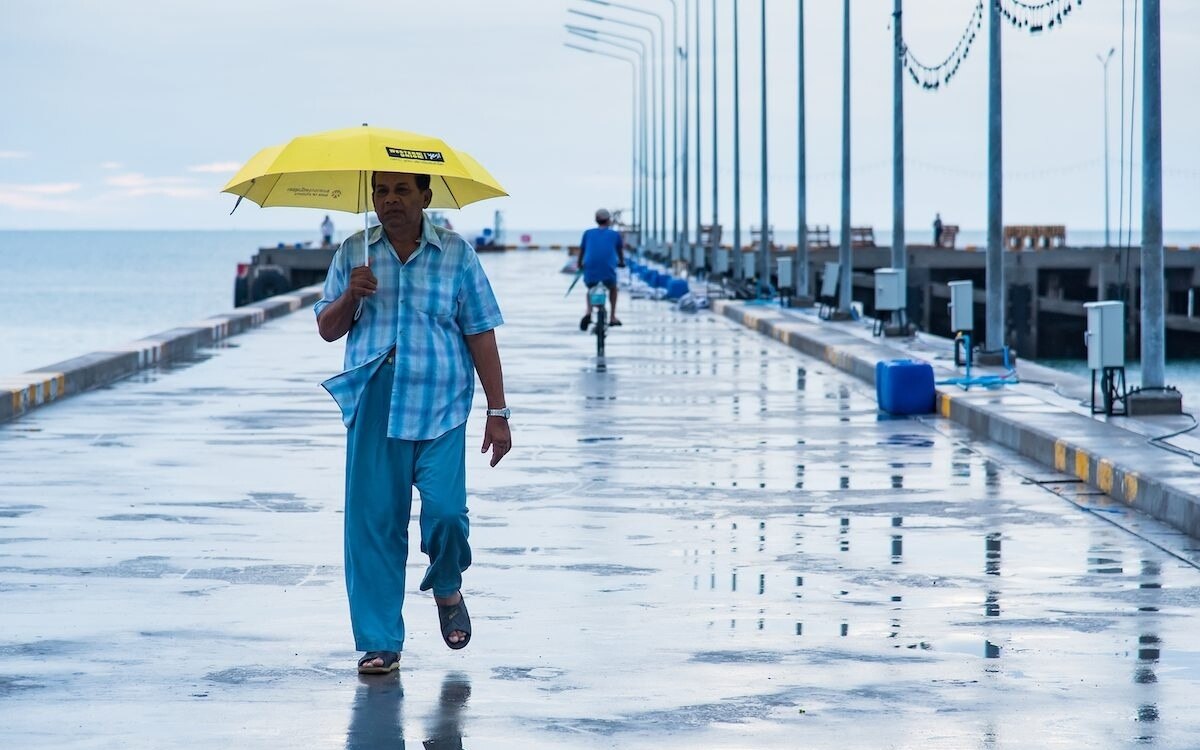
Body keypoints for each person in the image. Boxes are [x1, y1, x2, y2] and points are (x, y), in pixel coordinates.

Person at [314, 171, 511, 674]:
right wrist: (350, 296)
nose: (390, 200)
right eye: (381, 191)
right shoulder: (353, 253)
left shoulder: (456, 255)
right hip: (375, 402)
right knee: (374, 526)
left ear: (425, 197)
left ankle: (447, 587)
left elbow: (481, 333)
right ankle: (380, 640)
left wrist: (498, 412)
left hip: (441, 403)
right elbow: (327, 330)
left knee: (446, 514)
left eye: (402, 191)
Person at [577, 207, 626, 330]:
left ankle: (588, 311)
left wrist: (579, 263)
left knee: (590, 288)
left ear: (596, 220)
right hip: (607, 273)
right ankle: (613, 317)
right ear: (608, 220)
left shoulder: (587, 233)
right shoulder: (615, 235)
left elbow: (582, 250)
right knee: (613, 288)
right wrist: (622, 262)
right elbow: (620, 252)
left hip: (591, 271)